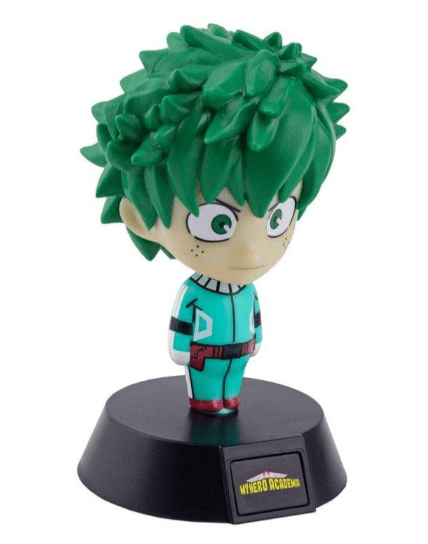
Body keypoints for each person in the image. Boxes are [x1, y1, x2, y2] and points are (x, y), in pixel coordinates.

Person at [82, 24, 348, 414]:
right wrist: (181, 348)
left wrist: (256, 339)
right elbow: (181, 330)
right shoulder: (195, 293)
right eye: (217, 224)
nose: (251, 250)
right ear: (139, 218)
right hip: (204, 357)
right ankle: (206, 399)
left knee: (232, 383)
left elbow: (255, 320)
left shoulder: (247, 292)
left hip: (238, 353)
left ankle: (228, 396)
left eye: (278, 219)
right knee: (208, 386)